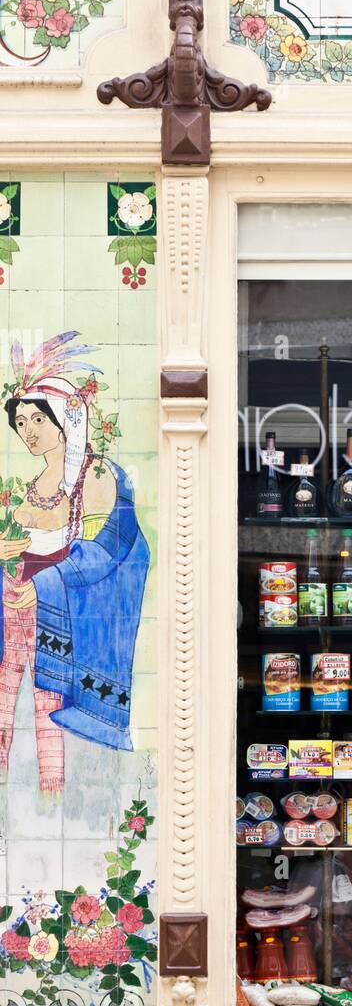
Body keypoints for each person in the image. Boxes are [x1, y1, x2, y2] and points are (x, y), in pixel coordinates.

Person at [0, 333, 149, 792]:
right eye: (19, 421)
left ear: (64, 420)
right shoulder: (34, 480)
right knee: (3, 707)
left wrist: (43, 583)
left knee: (49, 711)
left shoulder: (96, 473)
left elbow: (106, 550)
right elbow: (33, 542)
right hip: (16, 606)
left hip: (59, 612)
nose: (26, 431)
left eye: (35, 420)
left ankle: (53, 797)